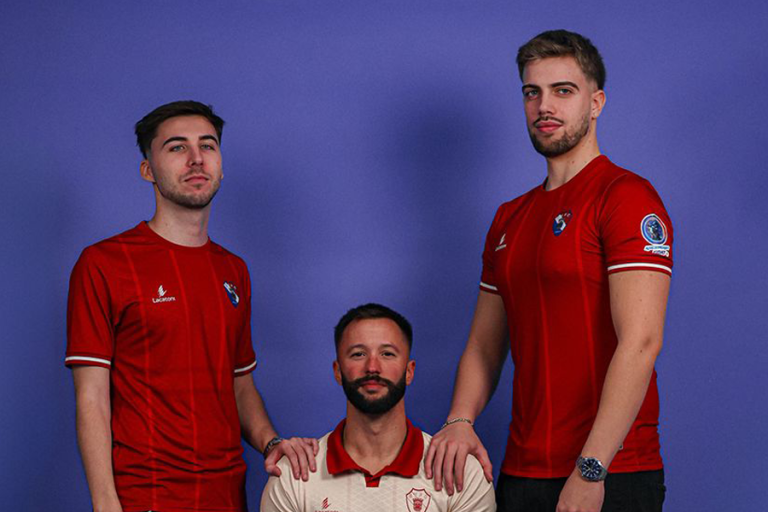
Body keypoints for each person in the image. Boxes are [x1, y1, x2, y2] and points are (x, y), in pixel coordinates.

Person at [425, 30, 673, 512]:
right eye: (531, 92)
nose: (544, 106)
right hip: (521, 472)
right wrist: (460, 419)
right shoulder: (509, 218)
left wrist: (591, 468)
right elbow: (484, 345)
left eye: (563, 90)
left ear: (596, 103)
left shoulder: (626, 197)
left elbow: (641, 342)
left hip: (611, 471)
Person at [65, 100, 317, 512]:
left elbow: (239, 383)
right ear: (147, 169)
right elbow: (92, 397)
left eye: (208, 146)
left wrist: (271, 442)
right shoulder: (104, 263)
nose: (196, 158)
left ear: (221, 165)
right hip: (147, 495)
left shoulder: (233, 270)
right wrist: (105, 502)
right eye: (177, 147)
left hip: (227, 494)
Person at [260, 303, 496, 512]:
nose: (372, 367)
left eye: (387, 354)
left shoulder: (461, 471)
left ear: (409, 371)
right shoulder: (293, 475)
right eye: (358, 354)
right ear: (338, 371)